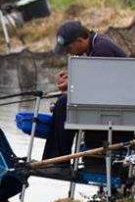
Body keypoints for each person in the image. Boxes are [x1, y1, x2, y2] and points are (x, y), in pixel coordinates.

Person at [43, 20, 128, 160]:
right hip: (112, 98)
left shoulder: (102, 48)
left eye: (69, 49)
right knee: (63, 102)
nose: (68, 53)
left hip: (118, 106)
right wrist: (71, 77)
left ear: (80, 40)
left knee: (64, 104)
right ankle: (53, 160)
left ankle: (58, 161)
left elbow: (100, 84)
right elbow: (96, 76)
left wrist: (71, 84)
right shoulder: (95, 45)